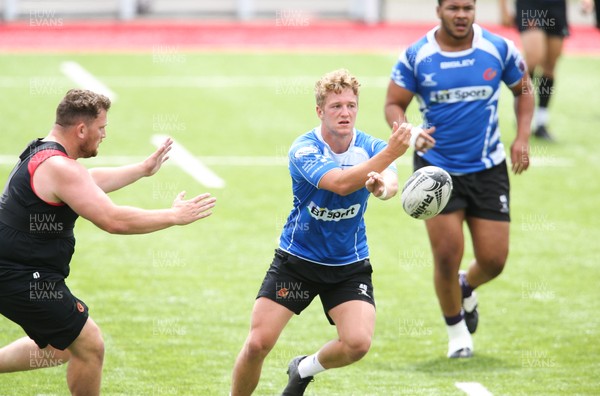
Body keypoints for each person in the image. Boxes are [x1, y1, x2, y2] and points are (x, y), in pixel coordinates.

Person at [0, 89, 216, 395]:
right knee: (90, 344)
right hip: (20, 275)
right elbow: (113, 220)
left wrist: (142, 170)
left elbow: (89, 181)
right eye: (101, 129)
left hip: (20, 270)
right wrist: (173, 216)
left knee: (60, 347)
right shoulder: (62, 168)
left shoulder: (44, 152)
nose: (104, 135)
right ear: (82, 129)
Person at [230, 69, 418, 396]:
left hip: (348, 265)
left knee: (358, 343)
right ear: (320, 111)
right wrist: (390, 153)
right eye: (336, 107)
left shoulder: (372, 146)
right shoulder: (304, 149)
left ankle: (303, 368)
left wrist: (379, 187)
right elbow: (341, 184)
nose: (345, 113)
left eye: (351, 105)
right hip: (297, 262)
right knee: (258, 343)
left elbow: (390, 185)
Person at [384, 0, 534, 358]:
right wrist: (410, 129)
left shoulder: (498, 49)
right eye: (453, 7)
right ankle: (457, 335)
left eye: (468, 7)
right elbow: (393, 102)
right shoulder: (417, 55)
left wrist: (522, 137)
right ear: (438, 11)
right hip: (435, 170)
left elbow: (524, 89)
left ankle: (467, 285)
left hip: (488, 167)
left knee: (494, 260)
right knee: (448, 256)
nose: (462, 14)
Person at [499, 0, 569, 140]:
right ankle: (522, 112)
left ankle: (541, 122)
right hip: (530, 5)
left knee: (550, 66)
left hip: (556, 6)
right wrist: (504, 9)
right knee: (533, 58)